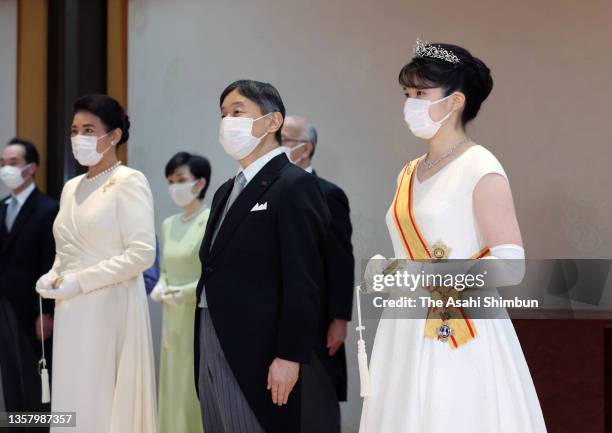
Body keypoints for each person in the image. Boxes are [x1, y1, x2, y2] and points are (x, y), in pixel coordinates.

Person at [359, 40, 547, 433]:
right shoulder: (409, 172)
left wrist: (419, 274)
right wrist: (388, 270)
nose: (410, 103)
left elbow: (510, 266)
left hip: (460, 327)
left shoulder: (481, 166)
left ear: (455, 101)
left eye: (421, 94)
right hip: (404, 327)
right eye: (407, 94)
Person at [194, 79, 330, 433]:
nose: (227, 122)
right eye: (223, 114)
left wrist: (289, 355)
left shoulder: (294, 184)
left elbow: (304, 280)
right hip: (211, 329)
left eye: (237, 112)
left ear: (273, 122)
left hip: (259, 344)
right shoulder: (227, 189)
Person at [36, 94, 157, 433]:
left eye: (89, 129)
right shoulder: (71, 187)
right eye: (75, 130)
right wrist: (54, 274)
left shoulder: (129, 181)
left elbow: (141, 253)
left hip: (110, 305)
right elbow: (67, 248)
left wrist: (82, 281)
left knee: (100, 395)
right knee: (74, 392)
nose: (79, 138)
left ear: (114, 135)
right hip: (72, 309)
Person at [281, 116, 354, 433]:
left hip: (317, 319)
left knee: (315, 405)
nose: (276, 146)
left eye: (284, 140)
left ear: (305, 149)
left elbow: (340, 259)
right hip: (275, 316)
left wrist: (340, 318)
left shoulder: (329, 194)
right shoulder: (268, 191)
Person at [150, 151, 211, 433]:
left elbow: (211, 276)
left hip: (197, 315)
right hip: (171, 317)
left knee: (192, 384)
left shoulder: (211, 219)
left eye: (181, 179)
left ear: (200, 183)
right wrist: (162, 287)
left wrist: (182, 293)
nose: (175, 186)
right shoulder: (168, 223)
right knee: (172, 381)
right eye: (171, 180)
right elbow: (164, 270)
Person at [0, 138, 58, 422]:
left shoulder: (48, 209)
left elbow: (51, 263)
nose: (6, 169)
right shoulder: (2, 207)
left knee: (35, 385)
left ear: (31, 168)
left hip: (32, 313)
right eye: (2, 163)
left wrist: (47, 312)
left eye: (13, 163)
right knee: (10, 380)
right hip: (4, 307)